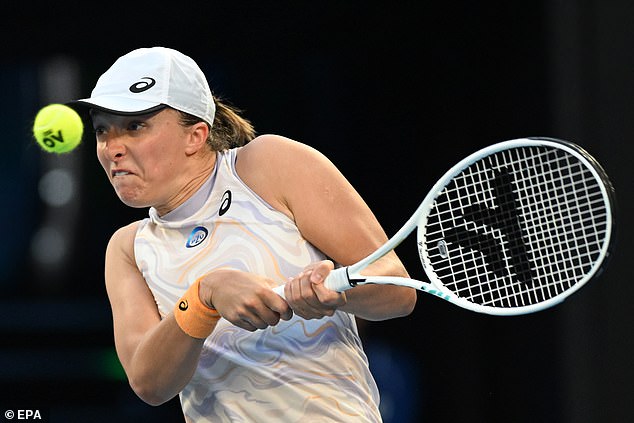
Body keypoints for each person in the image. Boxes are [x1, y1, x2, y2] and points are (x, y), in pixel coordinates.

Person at [72, 47, 417, 423]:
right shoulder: (128, 248)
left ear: (196, 136)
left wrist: (335, 295)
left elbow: (397, 290)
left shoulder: (270, 165)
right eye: (102, 130)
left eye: (135, 126)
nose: (112, 148)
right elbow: (149, 384)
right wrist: (204, 298)